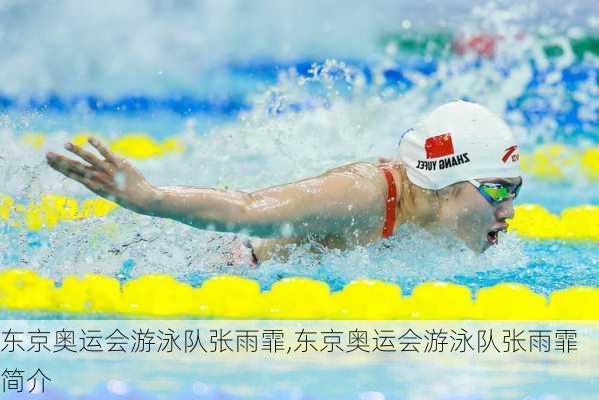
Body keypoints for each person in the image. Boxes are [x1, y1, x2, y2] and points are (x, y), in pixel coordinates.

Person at [46, 100, 522, 266]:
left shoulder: (441, 217)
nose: (509, 211)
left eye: (514, 191)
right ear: (447, 180)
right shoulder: (364, 194)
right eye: (497, 190)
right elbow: (249, 208)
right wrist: (150, 198)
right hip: (231, 273)